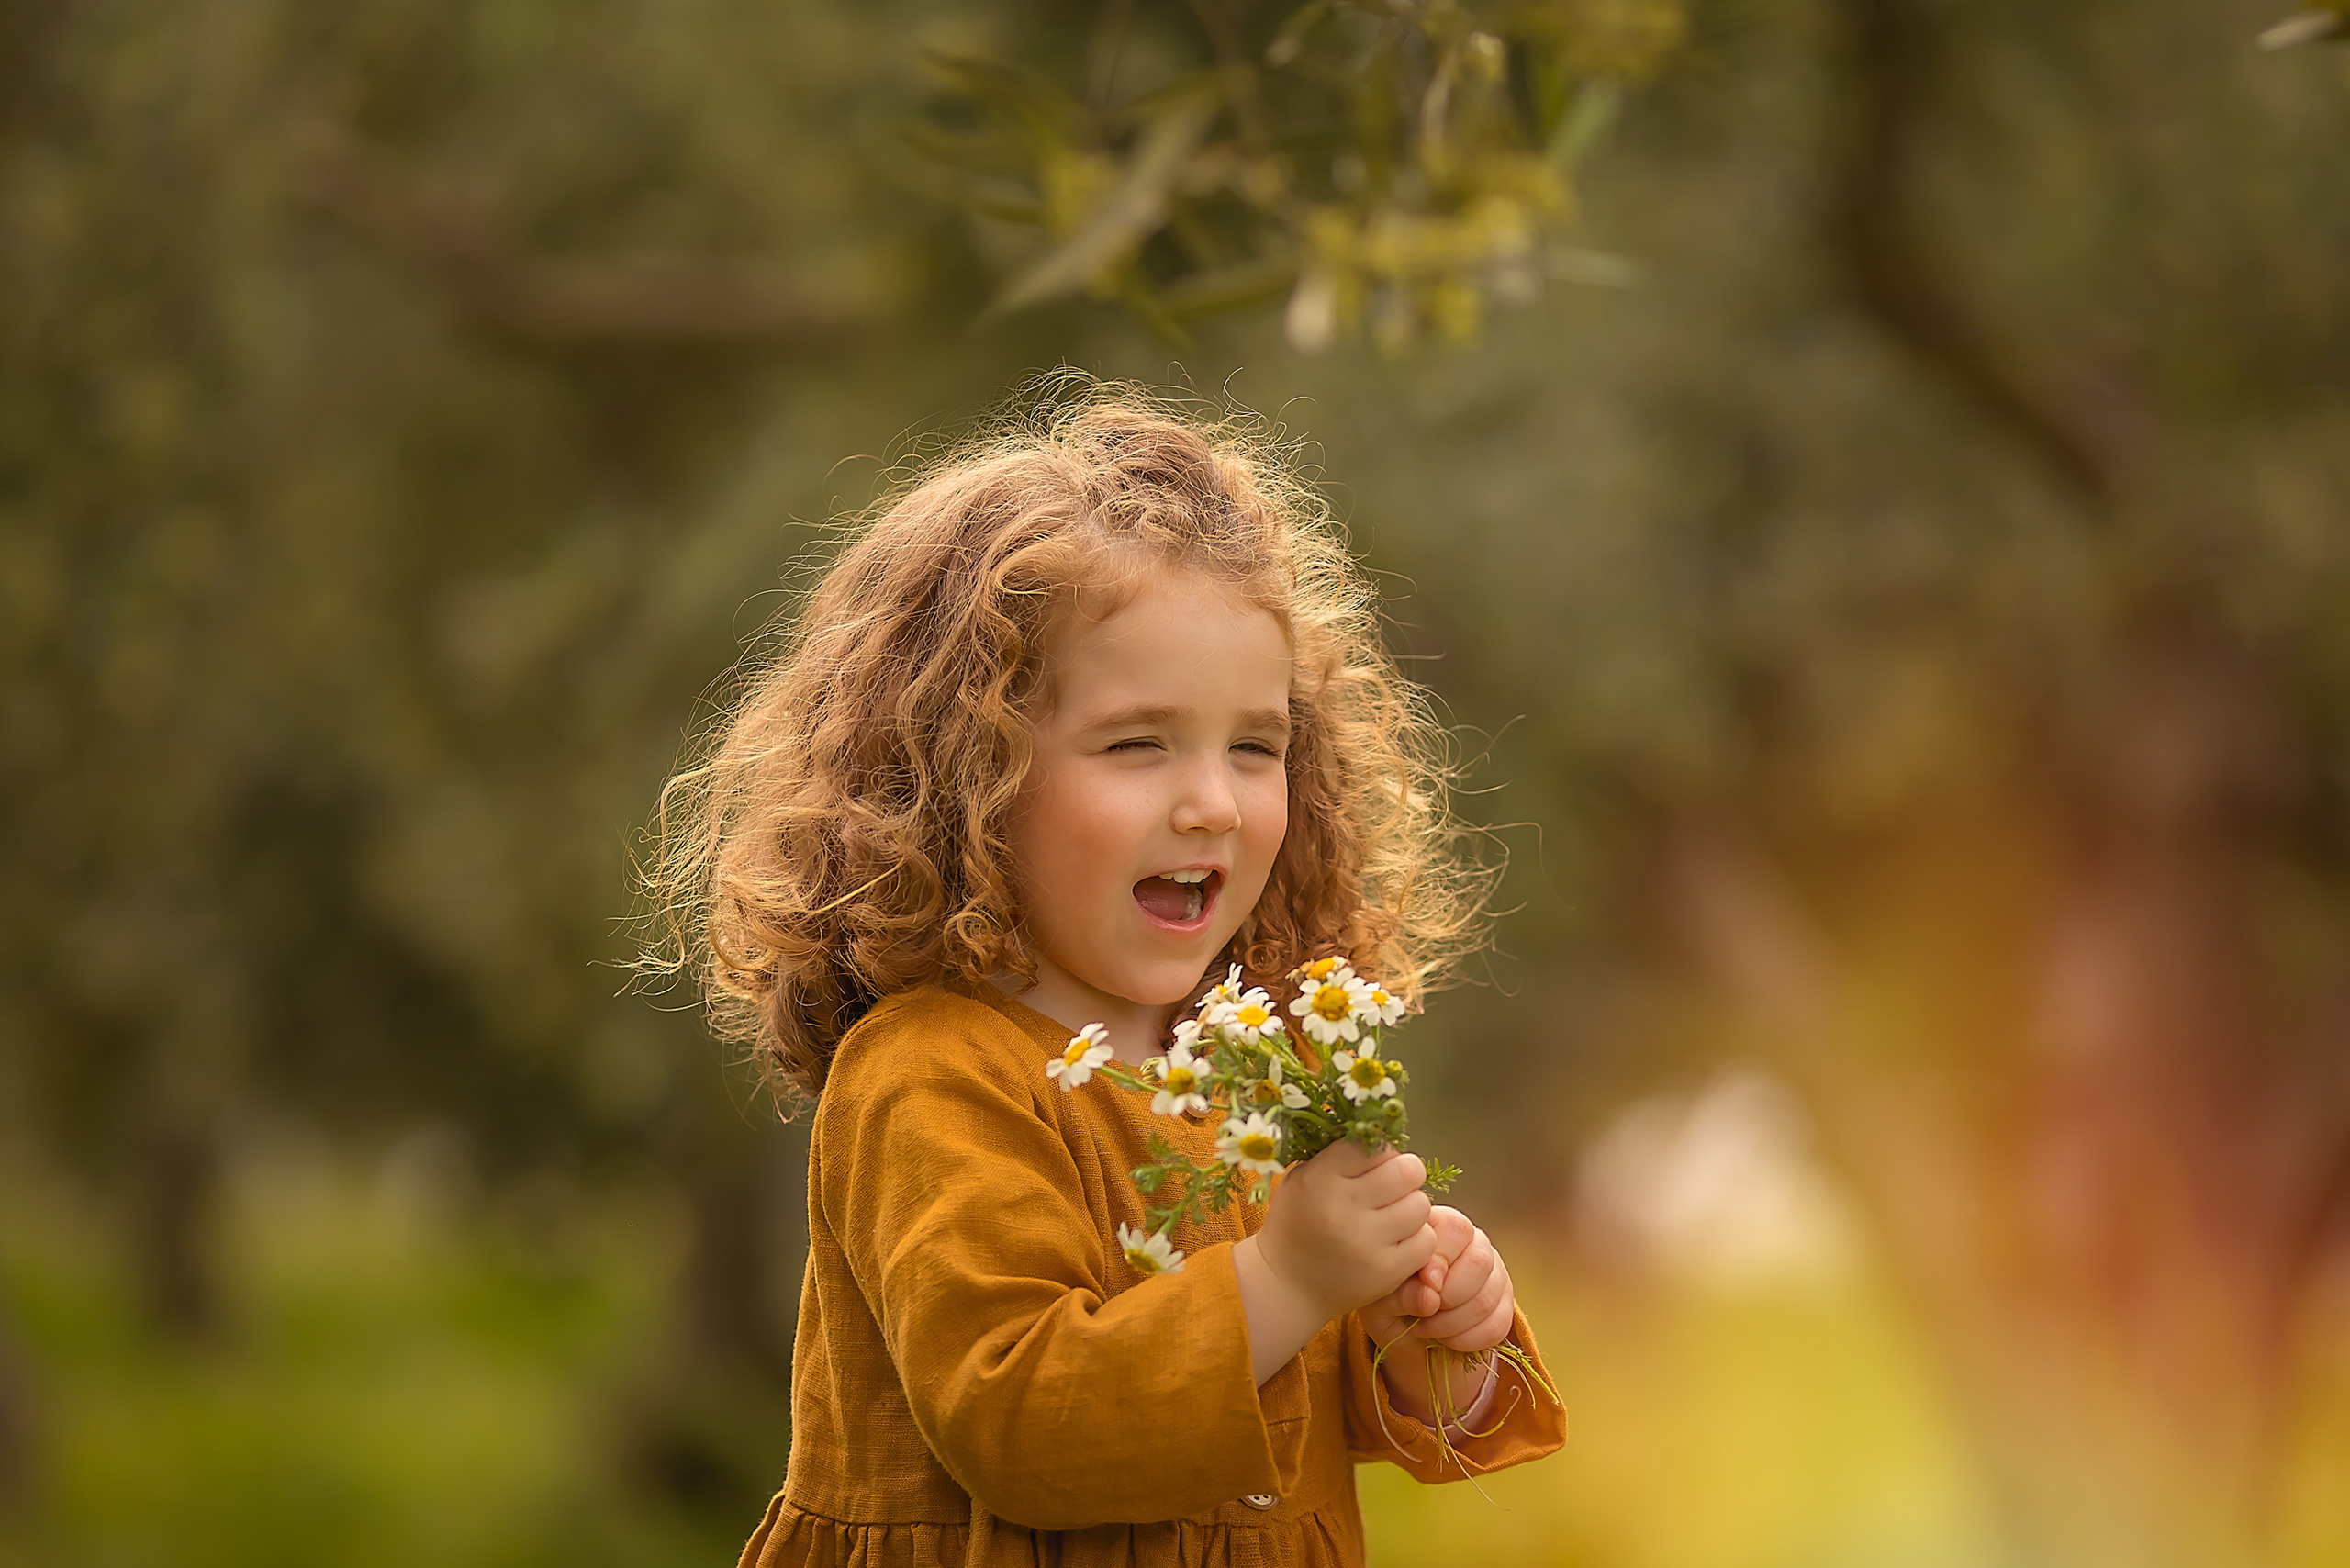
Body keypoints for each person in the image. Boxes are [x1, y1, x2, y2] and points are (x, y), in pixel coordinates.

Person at [650, 385, 1566, 1567]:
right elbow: (1019, 1420)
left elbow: (1288, 1403)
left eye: (1257, 746)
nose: (1212, 801)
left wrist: (1432, 1350)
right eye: (1138, 743)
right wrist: (1289, 1272)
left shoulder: (1256, 1068)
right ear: (967, 776)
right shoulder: (933, 1076)